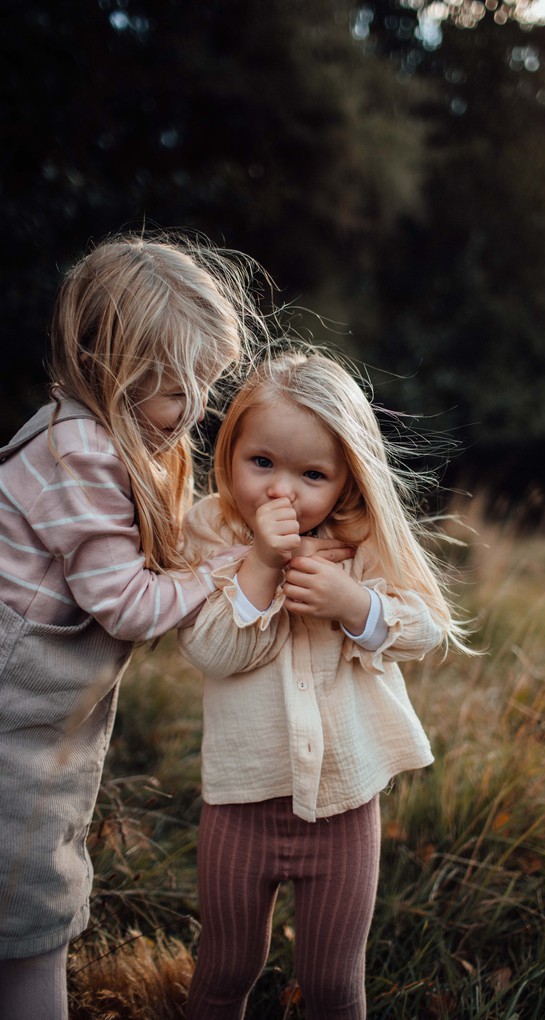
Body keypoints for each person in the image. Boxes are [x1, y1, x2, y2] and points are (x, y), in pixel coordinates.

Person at [0, 231, 285, 1019]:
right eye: (167, 384)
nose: (192, 405)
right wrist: (232, 566)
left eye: (204, 378)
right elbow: (123, 603)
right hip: (9, 729)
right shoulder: (80, 452)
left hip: (28, 725)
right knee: (30, 916)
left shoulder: (80, 434)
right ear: (104, 371)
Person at [178, 350, 471, 1020]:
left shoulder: (363, 541)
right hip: (241, 802)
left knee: (334, 985)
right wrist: (258, 566)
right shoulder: (210, 533)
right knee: (225, 969)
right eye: (263, 464)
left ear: (346, 481)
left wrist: (354, 606)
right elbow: (210, 652)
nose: (282, 491)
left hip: (345, 804)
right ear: (230, 454)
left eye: (312, 474)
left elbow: (427, 628)